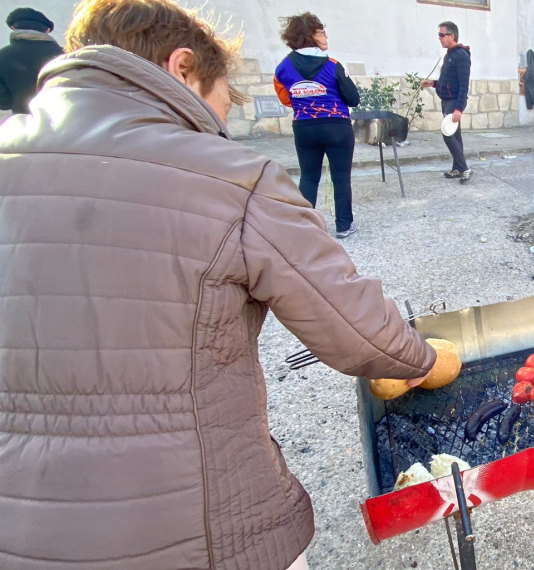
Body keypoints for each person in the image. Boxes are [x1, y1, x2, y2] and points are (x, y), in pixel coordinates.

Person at [0, 1, 436, 569]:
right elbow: (360, 334)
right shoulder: (231, 177)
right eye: (223, 96)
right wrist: (424, 356)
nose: (223, 119)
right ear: (181, 68)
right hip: (202, 530)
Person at [274, 13, 360, 239]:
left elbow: (285, 99)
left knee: (309, 177)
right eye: (322, 32)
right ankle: (343, 226)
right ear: (310, 35)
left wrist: (305, 94)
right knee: (340, 177)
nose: (326, 36)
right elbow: (353, 98)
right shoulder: (333, 65)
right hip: (336, 126)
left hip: (304, 126)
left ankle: (306, 227)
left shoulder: (282, 68)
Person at [421, 21, 471, 184]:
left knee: (448, 134)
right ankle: (457, 167)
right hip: (447, 100)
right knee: (454, 135)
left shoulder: (461, 55)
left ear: (452, 35)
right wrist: (433, 83)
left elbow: (463, 85)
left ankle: (464, 168)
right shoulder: (449, 55)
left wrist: (459, 108)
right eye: (439, 35)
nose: (439, 38)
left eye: (442, 35)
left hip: (453, 102)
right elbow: (448, 80)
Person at [0, 7, 63, 114]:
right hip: (61, 120)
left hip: (25, 123)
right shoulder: (63, 54)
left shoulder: (3, 55)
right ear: (46, 30)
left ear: (14, 28)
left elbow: (3, 101)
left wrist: (19, 102)